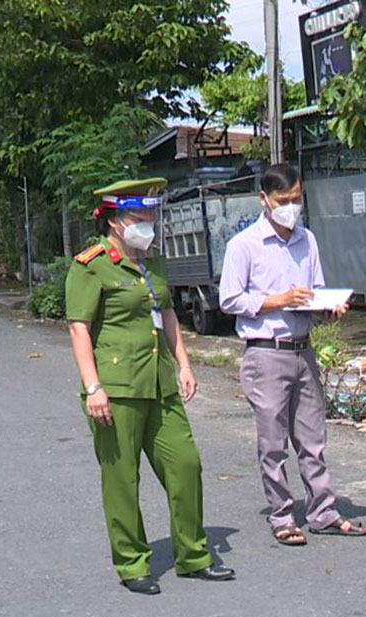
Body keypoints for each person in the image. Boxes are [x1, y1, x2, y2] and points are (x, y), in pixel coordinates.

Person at [66, 177, 234, 594]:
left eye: (150, 217)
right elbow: (78, 329)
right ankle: (131, 562)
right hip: (117, 387)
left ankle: (193, 555)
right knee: (122, 478)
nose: (148, 225)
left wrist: (184, 364)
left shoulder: (152, 261)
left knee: (185, 465)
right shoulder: (91, 265)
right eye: (139, 218)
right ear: (115, 221)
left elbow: (169, 314)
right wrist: (93, 388)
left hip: (160, 384)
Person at [219, 163, 366, 546]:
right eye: (283, 201)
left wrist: (327, 306)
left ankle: (323, 511)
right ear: (264, 200)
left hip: (303, 351)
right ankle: (283, 515)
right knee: (273, 444)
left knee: (312, 439)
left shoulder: (308, 240)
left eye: (297, 199)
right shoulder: (244, 245)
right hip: (266, 353)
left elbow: (315, 291)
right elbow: (230, 300)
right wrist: (278, 301)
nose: (291, 207)